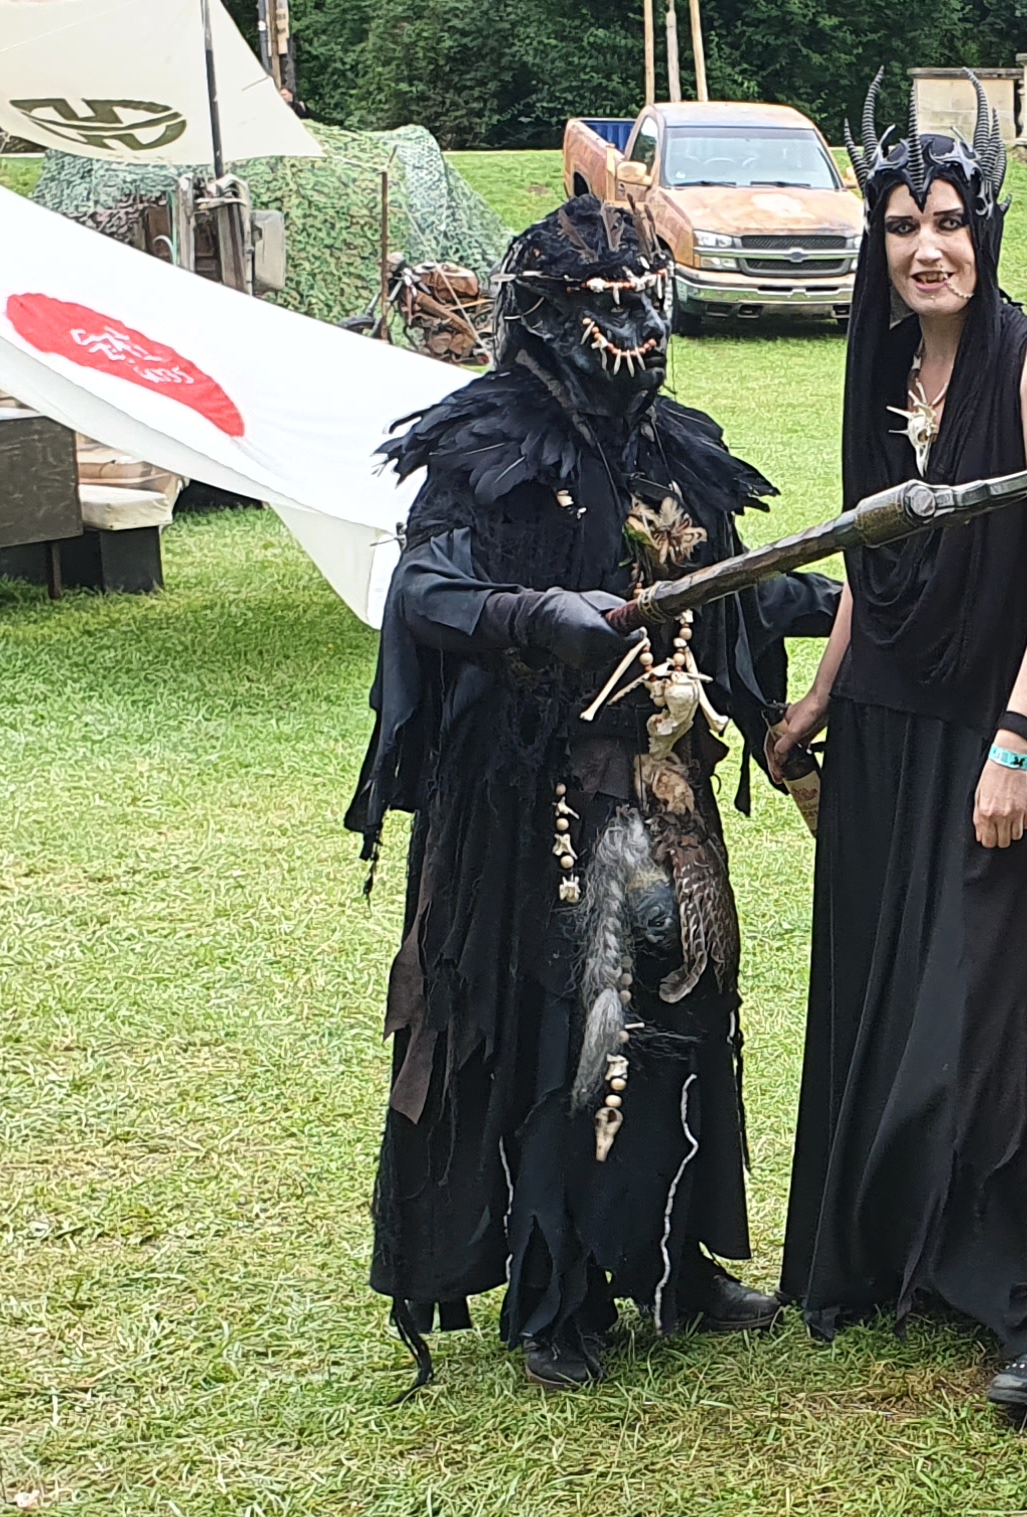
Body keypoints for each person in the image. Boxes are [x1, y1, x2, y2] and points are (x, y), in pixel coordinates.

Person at [351, 193, 835, 1391]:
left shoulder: (676, 447)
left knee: (690, 990)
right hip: (541, 790)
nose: (636, 333)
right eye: (606, 311)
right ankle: (556, 1298)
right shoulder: (488, 445)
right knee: (584, 1020)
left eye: (647, 304)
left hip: (667, 774)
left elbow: (732, 594)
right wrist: (536, 616)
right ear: (546, 319)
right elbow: (425, 592)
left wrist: (855, 603)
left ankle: (672, 1259)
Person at [774, 110, 1027, 1422]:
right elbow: (867, 564)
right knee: (882, 997)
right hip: (884, 731)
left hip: (995, 727)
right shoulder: (876, 372)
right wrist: (818, 699)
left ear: (984, 231)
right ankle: (890, 1257)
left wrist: (1018, 745)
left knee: (1000, 1016)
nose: (927, 247)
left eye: (947, 223)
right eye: (901, 226)